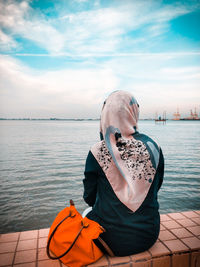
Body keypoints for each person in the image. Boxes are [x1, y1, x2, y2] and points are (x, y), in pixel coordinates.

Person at [82, 90, 164, 256]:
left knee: (85, 213)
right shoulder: (154, 147)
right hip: (149, 236)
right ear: (133, 113)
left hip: (108, 241)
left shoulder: (98, 151)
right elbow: (156, 187)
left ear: (105, 115)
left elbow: (89, 197)